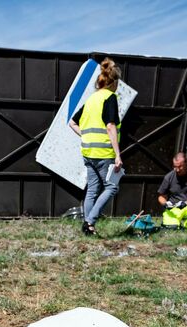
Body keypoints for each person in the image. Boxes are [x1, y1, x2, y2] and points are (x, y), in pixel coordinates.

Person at [69, 58, 122, 236]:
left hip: (88, 152)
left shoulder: (91, 99)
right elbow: (110, 126)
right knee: (112, 187)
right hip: (103, 152)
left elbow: (72, 123)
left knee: (92, 189)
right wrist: (117, 154)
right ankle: (90, 221)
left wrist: (86, 136)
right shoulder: (110, 97)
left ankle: (88, 227)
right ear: (114, 82)